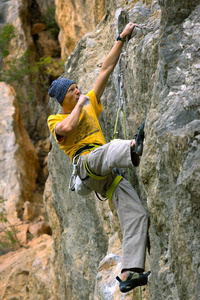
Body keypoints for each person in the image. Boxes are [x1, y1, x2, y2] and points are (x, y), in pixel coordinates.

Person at [47, 22, 150, 293]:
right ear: (63, 99)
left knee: (136, 213)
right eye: (73, 90)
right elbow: (67, 129)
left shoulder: (88, 102)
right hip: (86, 164)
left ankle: (130, 273)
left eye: (78, 88)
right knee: (107, 149)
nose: (79, 91)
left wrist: (121, 38)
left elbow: (105, 69)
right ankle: (131, 148)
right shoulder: (55, 119)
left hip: (106, 174)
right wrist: (80, 107)